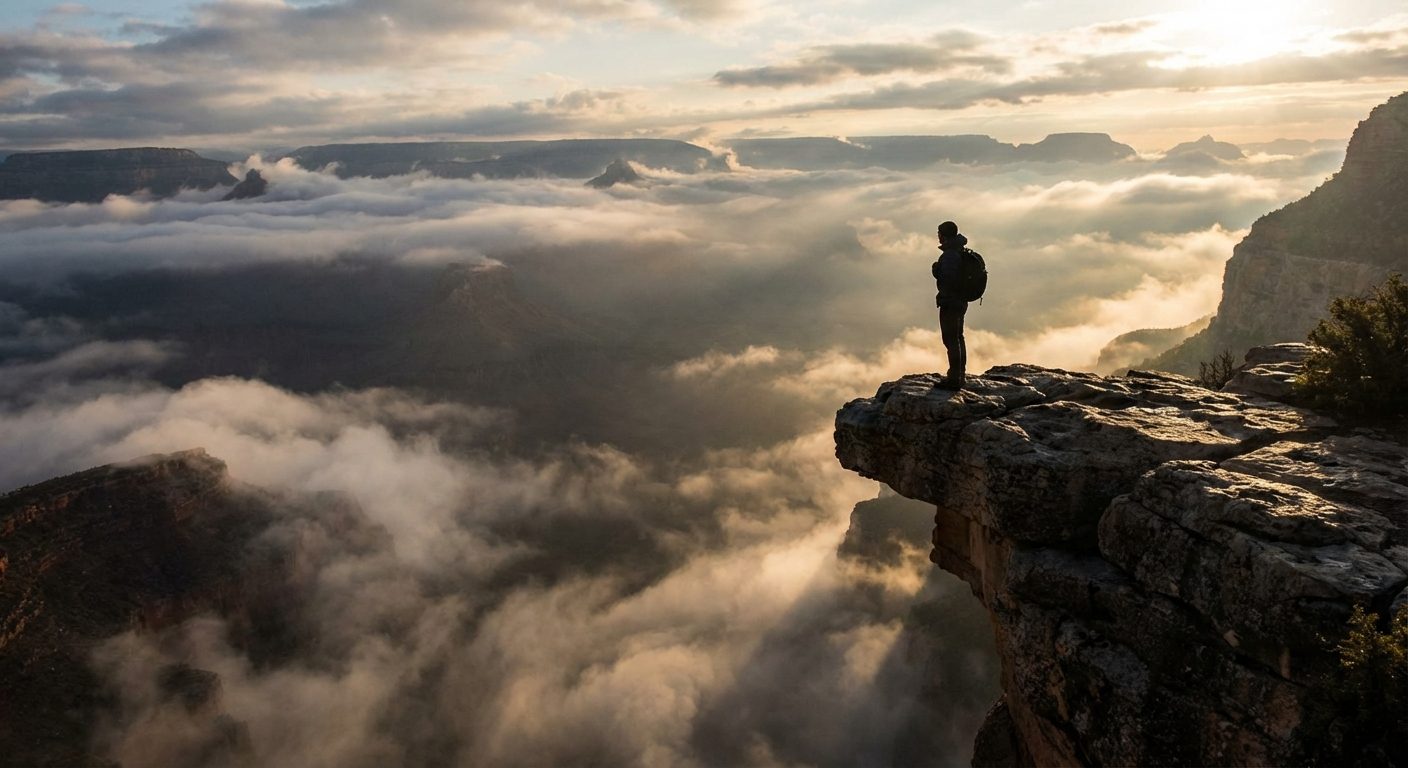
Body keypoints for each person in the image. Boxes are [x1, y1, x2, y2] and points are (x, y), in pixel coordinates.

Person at [931, 220, 968, 389]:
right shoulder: (959, 250)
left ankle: (954, 379)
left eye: (939, 233)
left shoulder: (950, 255)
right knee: (958, 338)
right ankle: (960, 375)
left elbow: (948, 280)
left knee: (951, 340)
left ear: (944, 236)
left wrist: (936, 270)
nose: (938, 236)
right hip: (961, 301)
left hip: (951, 302)